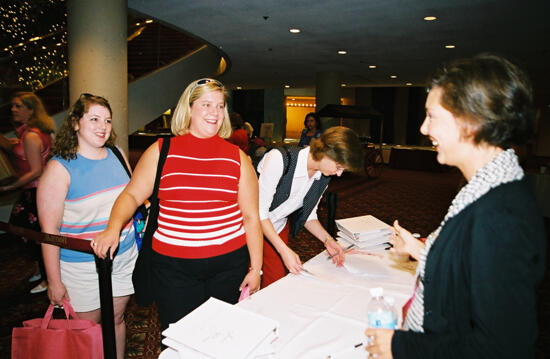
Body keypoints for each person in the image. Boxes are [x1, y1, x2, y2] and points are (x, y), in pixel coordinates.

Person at [364, 54, 546, 359]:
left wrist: (400, 346)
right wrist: (423, 252)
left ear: (471, 122)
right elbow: (469, 266)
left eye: (432, 116)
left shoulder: (501, 216)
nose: (422, 128)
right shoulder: (484, 188)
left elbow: (501, 349)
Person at [92, 78, 263, 332]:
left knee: (223, 336)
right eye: (206, 104)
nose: (214, 113)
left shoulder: (238, 157)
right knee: (180, 336)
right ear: (189, 108)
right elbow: (131, 196)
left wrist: (256, 269)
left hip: (229, 267)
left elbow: (250, 217)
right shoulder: (162, 150)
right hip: (174, 270)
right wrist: (112, 228)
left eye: (219, 106)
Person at [37, 94, 137, 359]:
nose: (102, 126)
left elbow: (132, 199)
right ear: (75, 124)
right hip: (81, 267)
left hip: (123, 257)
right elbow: (49, 234)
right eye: (93, 119)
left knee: (116, 318)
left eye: (107, 120)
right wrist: (54, 281)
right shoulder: (59, 169)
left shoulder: (117, 154)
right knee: (85, 329)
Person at [258, 126, 364, 287]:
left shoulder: (322, 176)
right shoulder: (280, 159)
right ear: (327, 153)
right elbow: (259, 213)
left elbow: (308, 214)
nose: (339, 174)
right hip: (246, 227)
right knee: (246, 278)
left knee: (274, 283)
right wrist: (283, 249)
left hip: (276, 227)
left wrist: (327, 239)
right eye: (339, 166)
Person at [0, 92, 54, 294]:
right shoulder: (32, 132)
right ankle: (43, 272)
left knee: (33, 234)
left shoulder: (31, 135)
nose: (13, 109)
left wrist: (8, 187)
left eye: (18, 106)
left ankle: (49, 278)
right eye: (13, 105)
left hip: (36, 190)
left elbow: (36, 170)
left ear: (31, 110)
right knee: (36, 234)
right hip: (36, 190)